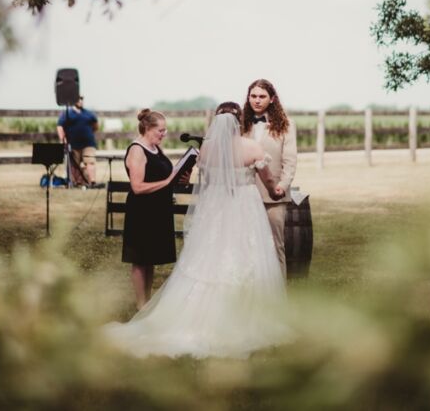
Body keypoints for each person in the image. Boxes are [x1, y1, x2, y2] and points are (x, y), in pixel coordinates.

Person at [104, 103, 289, 358]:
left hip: (216, 208)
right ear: (239, 121)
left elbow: (205, 180)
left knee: (211, 256)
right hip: (244, 207)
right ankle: (244, 315)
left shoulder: (207, 150)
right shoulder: (252, 148)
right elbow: (268, 180)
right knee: (247, 254)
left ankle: (196, 312)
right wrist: (275, 190)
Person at [121, 108, 188, 308]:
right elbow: (137, 187)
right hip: (141, 211)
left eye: (165, 130)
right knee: (140, 259)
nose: (164, 134)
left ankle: (147, 303)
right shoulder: (137, 150)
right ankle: (141, 304)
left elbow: (163, 176)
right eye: (161, 130)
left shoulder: (155, 148)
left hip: (158, 210)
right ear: (148, 128)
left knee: (150, 258)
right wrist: (168, 181)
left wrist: (179, 177)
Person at [243, 78, 298, 271]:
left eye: (262, 96)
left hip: (274, 196)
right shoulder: (241, 124)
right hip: (245, 195)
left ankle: (278, 296)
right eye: (253, 96)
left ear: (272, 99)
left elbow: (290, 161)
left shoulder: (286, 125)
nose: (257, 100)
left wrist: (282, 185)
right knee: (247, 247)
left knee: (275, 246)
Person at [56, 95, 100, 189]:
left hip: (88, 143)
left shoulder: (89, 113)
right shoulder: (67, 113)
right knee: (74, 164)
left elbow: (95, 126)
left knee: (90, 162)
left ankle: (92, 182)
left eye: (82, 99)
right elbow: (60, 126)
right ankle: (76, 182)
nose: (80, 101)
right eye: (78, 99)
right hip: (73, 144)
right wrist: (63, 139)